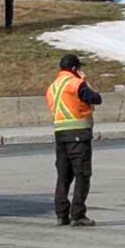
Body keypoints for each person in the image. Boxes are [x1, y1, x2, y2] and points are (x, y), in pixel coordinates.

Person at [45, 53, 105, 227]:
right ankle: (77, 214)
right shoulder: (76, 84)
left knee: (63, 176)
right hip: (78, 134)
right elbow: (96, 98)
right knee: (82, 174)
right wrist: (86, 81)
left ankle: (61, 214)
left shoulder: (53, 87)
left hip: (60, 134)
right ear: (74, 69)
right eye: (79, 68)